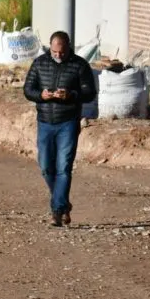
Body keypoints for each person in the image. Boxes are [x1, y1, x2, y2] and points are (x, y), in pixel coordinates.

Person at [22, 31, 97, 227]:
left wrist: (70, 95)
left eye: (62, 52)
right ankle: (63, 203)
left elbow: (90, 93)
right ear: (50, 47)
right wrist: (41, 95)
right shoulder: (39, 63)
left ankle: (57, 210)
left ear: (68, 47)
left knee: (63, 167)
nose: (58, 55)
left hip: (68, 122)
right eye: (54, 52)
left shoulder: (79, 65)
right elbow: (28, 90)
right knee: (46, 167)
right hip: (45, 122)